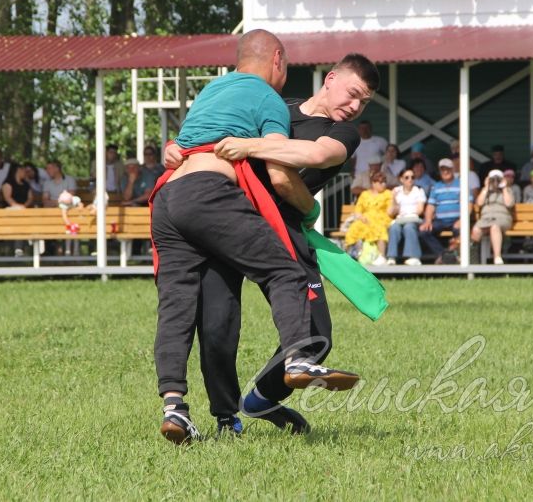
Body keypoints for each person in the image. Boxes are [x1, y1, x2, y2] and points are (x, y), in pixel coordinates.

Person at [150, 30, 359, 443]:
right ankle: (298, 358)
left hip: (167, 198)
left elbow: (179, 147)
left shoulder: (212, 90)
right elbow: (281, 173)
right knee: (285, 272)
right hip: (213, 199)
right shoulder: (268, 99)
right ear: (277, 59)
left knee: (185, 308)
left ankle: (179, 409)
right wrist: (310, 208)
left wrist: (169, 149)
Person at [195, 52, 379, 436]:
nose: (355, 106)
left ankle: (261, 401)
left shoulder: (343, 133)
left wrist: (250, 147)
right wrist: (176, 148)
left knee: (316, 337)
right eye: (353, 93)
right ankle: (225, 417)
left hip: (285, 228)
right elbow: (217, 132)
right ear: (330, 78)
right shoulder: (279, 106)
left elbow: (312, 154)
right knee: (217, 326)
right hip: (231, 219)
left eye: (364, 101)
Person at [419, 158, 471, 263]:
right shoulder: (436, 186)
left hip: (456, 219)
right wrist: (428, 221)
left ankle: (448, 256)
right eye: (443, 170)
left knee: (462, 231)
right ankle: (444, 255)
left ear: (453, 170)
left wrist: (463, 220)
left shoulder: (461, 184)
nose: (445, 172)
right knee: (424, 231)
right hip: (440, 220)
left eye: (448, 169)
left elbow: (469, 203)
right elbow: (430, 206)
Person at [344, 171, 393, 265]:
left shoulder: (388, 193)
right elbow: (358, 210)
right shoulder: (364, 194)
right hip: (365, 219)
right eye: (381, 182)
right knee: (354, 228)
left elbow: (389, 211)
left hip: (381, 218)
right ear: (373, 183)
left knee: (380, 229)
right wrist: (361, 217)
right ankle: (348, 255)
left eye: (384, 182)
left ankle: (381, 256)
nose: (384, 184)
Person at [471, 169, 515, 265]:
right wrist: (486, 187)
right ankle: (473, 259)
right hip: (486, 219)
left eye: (497, 179)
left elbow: (509, 204)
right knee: (476, 229)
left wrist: (504, 187)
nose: (495, 182)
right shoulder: (485, 191)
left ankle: (497, 257)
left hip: (502, 218)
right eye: (493, 179)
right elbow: (479, 203)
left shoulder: (507, 190)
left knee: (494, 227)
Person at [385, 167, 426, 266]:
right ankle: (391, 257)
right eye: (407, 177)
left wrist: (405, 212)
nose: (410, 179)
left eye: (412, 177)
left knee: (409, 227)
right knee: (394, 228)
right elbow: (391, 212)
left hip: (413, 219)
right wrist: (394, 199)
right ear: (401, 179)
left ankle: (413, 257)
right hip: (400, 219)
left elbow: (420, 210)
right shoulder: (396, 191)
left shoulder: (419, 190)